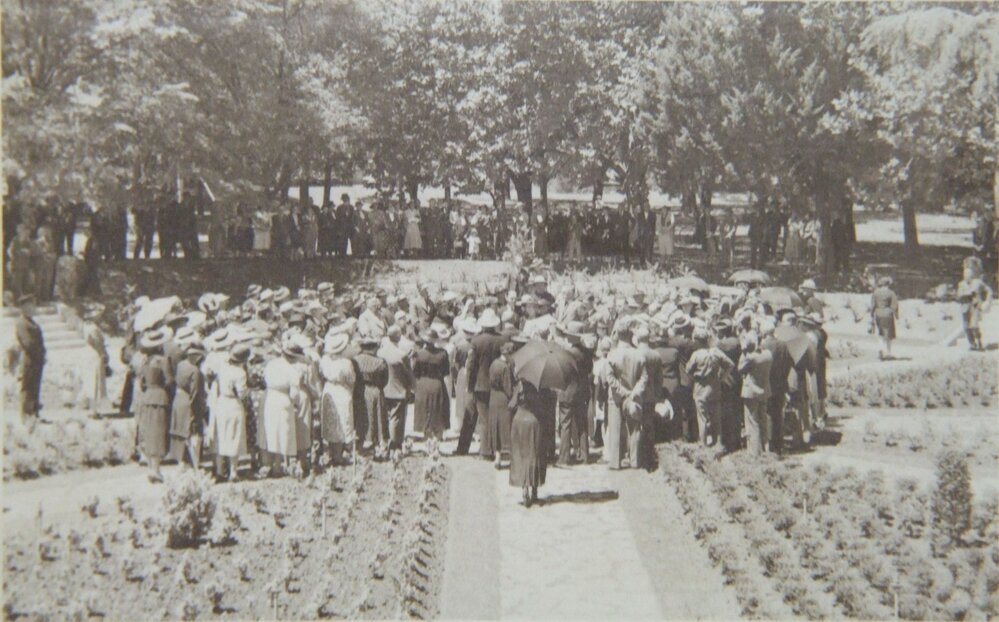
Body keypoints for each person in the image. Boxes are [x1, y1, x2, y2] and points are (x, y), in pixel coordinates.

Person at [460, 309, 506, 457]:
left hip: (479, 385)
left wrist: (469, 385)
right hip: (496, 384)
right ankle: (492, 448)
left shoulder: (476, 341)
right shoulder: (502, 340)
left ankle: (484, 450)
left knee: (480, 417)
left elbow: (471, 365)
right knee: (491, 417)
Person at [605, 319, 648, 469]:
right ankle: (635, 460)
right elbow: (644, 377)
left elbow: (609, 377)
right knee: (635, 429)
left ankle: (615, 462)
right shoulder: (639, 354)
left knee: (616, 429)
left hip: (616, 397)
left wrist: (622, 392)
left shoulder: (612, 354)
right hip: (634, 396)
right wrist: (634, 392)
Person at [135, 327, 174, 483]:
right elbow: (169, 380)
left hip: (147, 396)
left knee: (149, 431)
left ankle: (152, 466)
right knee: (158, 432)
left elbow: (141, 382)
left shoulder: (145, 362)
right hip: (159, 396)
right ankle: (156, 469)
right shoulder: (163, 361)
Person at [685, 328, 734, 447]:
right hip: (715, 386)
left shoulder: (696, 355)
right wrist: (722, 377)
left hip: (700, 387)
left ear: (697, 341)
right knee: (716, 416)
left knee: (702, 417)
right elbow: (730, 365)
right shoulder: (716, 352)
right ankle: (718, 443)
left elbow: (688, 370)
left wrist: (694, 376)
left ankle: (703, 443)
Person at [262, 340, 305, 475]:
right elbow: (294, 393)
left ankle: (274, 463)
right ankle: (280, 465)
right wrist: (296, 402)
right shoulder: (291, 370)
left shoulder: (270, 365)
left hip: (270, 399)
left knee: (272, 431)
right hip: (283, 399)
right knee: (284, 432)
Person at [210, 343, 251, 481]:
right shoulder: (240, 373)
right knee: (234, 434)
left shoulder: (223, 368)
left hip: (221, 402)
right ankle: (233, 472)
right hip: (233, 403)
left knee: (221, 435)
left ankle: (220, 470)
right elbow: (242, 393)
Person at [509, 378, 549, 507]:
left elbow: (511, 405)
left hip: (520, 422)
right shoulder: (542, 386)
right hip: (535, 422)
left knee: (521, 456)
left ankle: (524, 487)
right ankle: (535, 489)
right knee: (535, 454)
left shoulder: (520, 386)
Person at [557, 322, 593, 466]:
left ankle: (564, 457)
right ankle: (584, 455)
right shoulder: (587, 352)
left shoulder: (566, 353)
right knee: (582, 423)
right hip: (582, 391)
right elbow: (590, 370)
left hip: (567, 392)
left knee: (565, 424)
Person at [319, 333, 357, 465]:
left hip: (329, 388)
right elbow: (351, 379)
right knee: (342, 419)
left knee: (331, 421)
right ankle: (338, 455)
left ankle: (332, 452)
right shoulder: (346, 363)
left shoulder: (325, 360)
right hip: (342, 390)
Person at [169, 342, 207, 470]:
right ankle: (195, 464)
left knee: (180, 432)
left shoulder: (181, 365)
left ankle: (183, 462)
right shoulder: (195, 371)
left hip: (178, 400)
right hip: (188, 403)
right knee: (194, 433)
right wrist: (200, 412)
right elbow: (196, 394)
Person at [379, 325, 415, 456]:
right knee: (396, 420)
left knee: (386, 418)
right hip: (399, 390)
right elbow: (409, 374)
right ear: (399, 337)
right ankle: (395, 445)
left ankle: (385, 442)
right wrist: (412, 388)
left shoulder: (380, 353)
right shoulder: (402, 354)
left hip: (384, 390)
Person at [413, 329, 451, 452]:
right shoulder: (443, 354)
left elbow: (415, 372)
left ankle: (428, 441)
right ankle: (436, 443)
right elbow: (446, 372)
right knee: (439, 412)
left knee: (425, 413)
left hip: (423, 384)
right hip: (437, 384)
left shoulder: (419, 354)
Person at [355, 336, 389, 457]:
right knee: (378, 416)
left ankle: (361, 442)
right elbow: (385, 379)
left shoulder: (355, 360)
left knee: (362, 416)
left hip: (360, 390)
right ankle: (378, 441)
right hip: (375, 389)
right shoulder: (380, 362)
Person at [738, 331, 772, 455]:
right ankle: (765, 447)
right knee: (763, 419)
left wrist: (744, 352)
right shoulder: (768, 354)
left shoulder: (750, 358)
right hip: (764, 390)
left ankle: (754, 451)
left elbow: (740, 368)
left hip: (751, 391)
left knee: (753, 422)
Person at [15, 294, 46, 425]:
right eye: (30, 305)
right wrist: (38, 352)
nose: (33, 308)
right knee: (27, 386)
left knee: (35, 386)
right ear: (24, 307)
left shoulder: (32, 322)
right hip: (29, 359)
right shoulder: (22, 322)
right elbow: (28, 343)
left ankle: (34, 412)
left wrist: (42, 354)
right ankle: (26, 414)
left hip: (37, 360)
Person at [956, 257, 993, 351]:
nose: (967, 275)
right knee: (966, 327)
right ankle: (972, 344)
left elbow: (988, 290)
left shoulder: (978, 283)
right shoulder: (961, 284)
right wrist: (964, 295)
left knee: (974, 325)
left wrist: (987, 301)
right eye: (965, 273)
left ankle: (979, 341)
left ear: (972, 274)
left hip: (975, 307)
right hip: (965, 307)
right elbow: (958, 296)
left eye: (969, 273)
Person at [81, 312, 110, 416]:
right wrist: (104, 354)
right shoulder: (93, 328)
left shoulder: (86, 326)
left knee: (90, 380)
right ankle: (93, 409)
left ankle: (91, 407)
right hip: (95, 354)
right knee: (94, 380)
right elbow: (97, 343)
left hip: (89, 354)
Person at [870, 276, 899, 360]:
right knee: (889, 334)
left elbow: (872, 305)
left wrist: (872, 315)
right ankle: (888, 353)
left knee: (881, 333)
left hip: (878, 313)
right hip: (887, 314)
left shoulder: (876, 293)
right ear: (888, 284)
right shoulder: (891, 293)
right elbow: (895, 305)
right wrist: (896, 315)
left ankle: (881, 349)